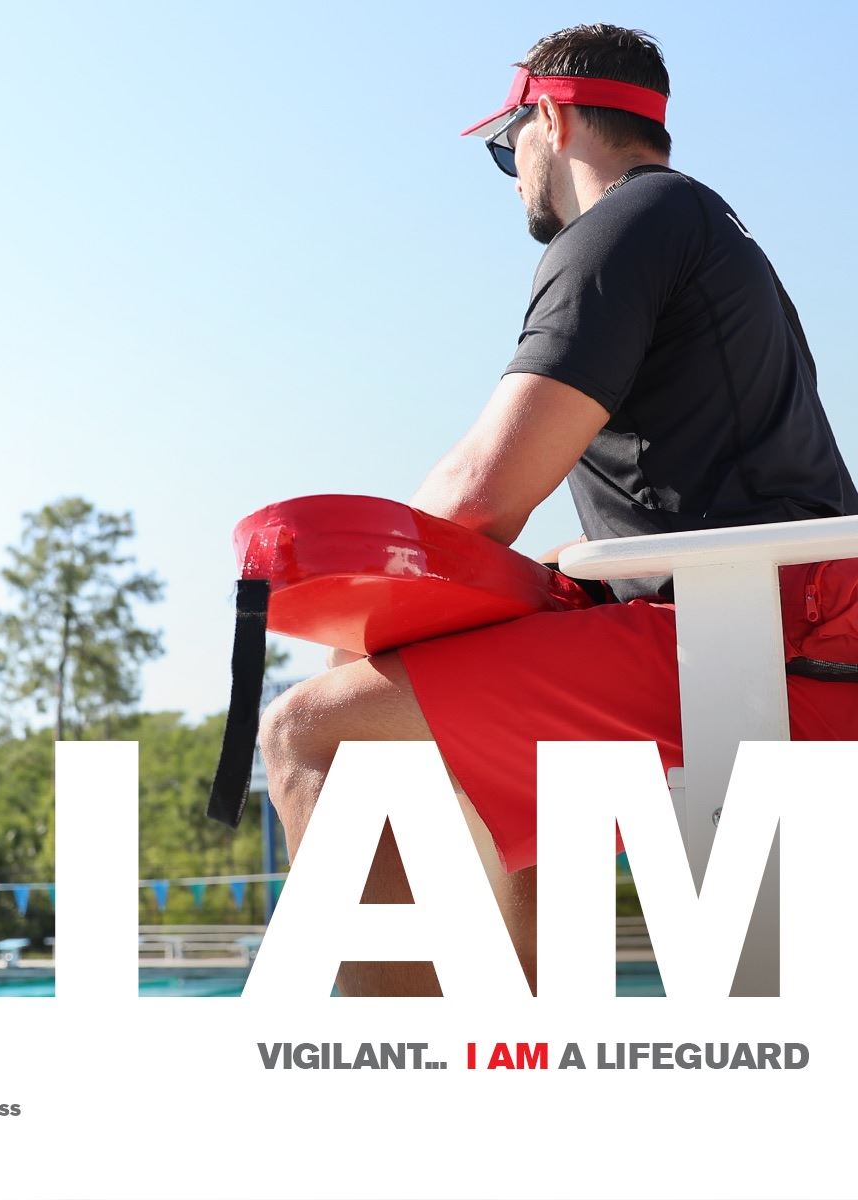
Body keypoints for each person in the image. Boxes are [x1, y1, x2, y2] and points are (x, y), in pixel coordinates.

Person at [257, 24, 858, 997]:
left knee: (313, 733)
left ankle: (394, 1122)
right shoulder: (712, 234)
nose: (513, 175)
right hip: (787, 629)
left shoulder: (622, 229)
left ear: (548, 117)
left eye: (507, 150)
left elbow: (478, 495)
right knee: (528, 802)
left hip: (752, 645)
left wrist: (351, 639)